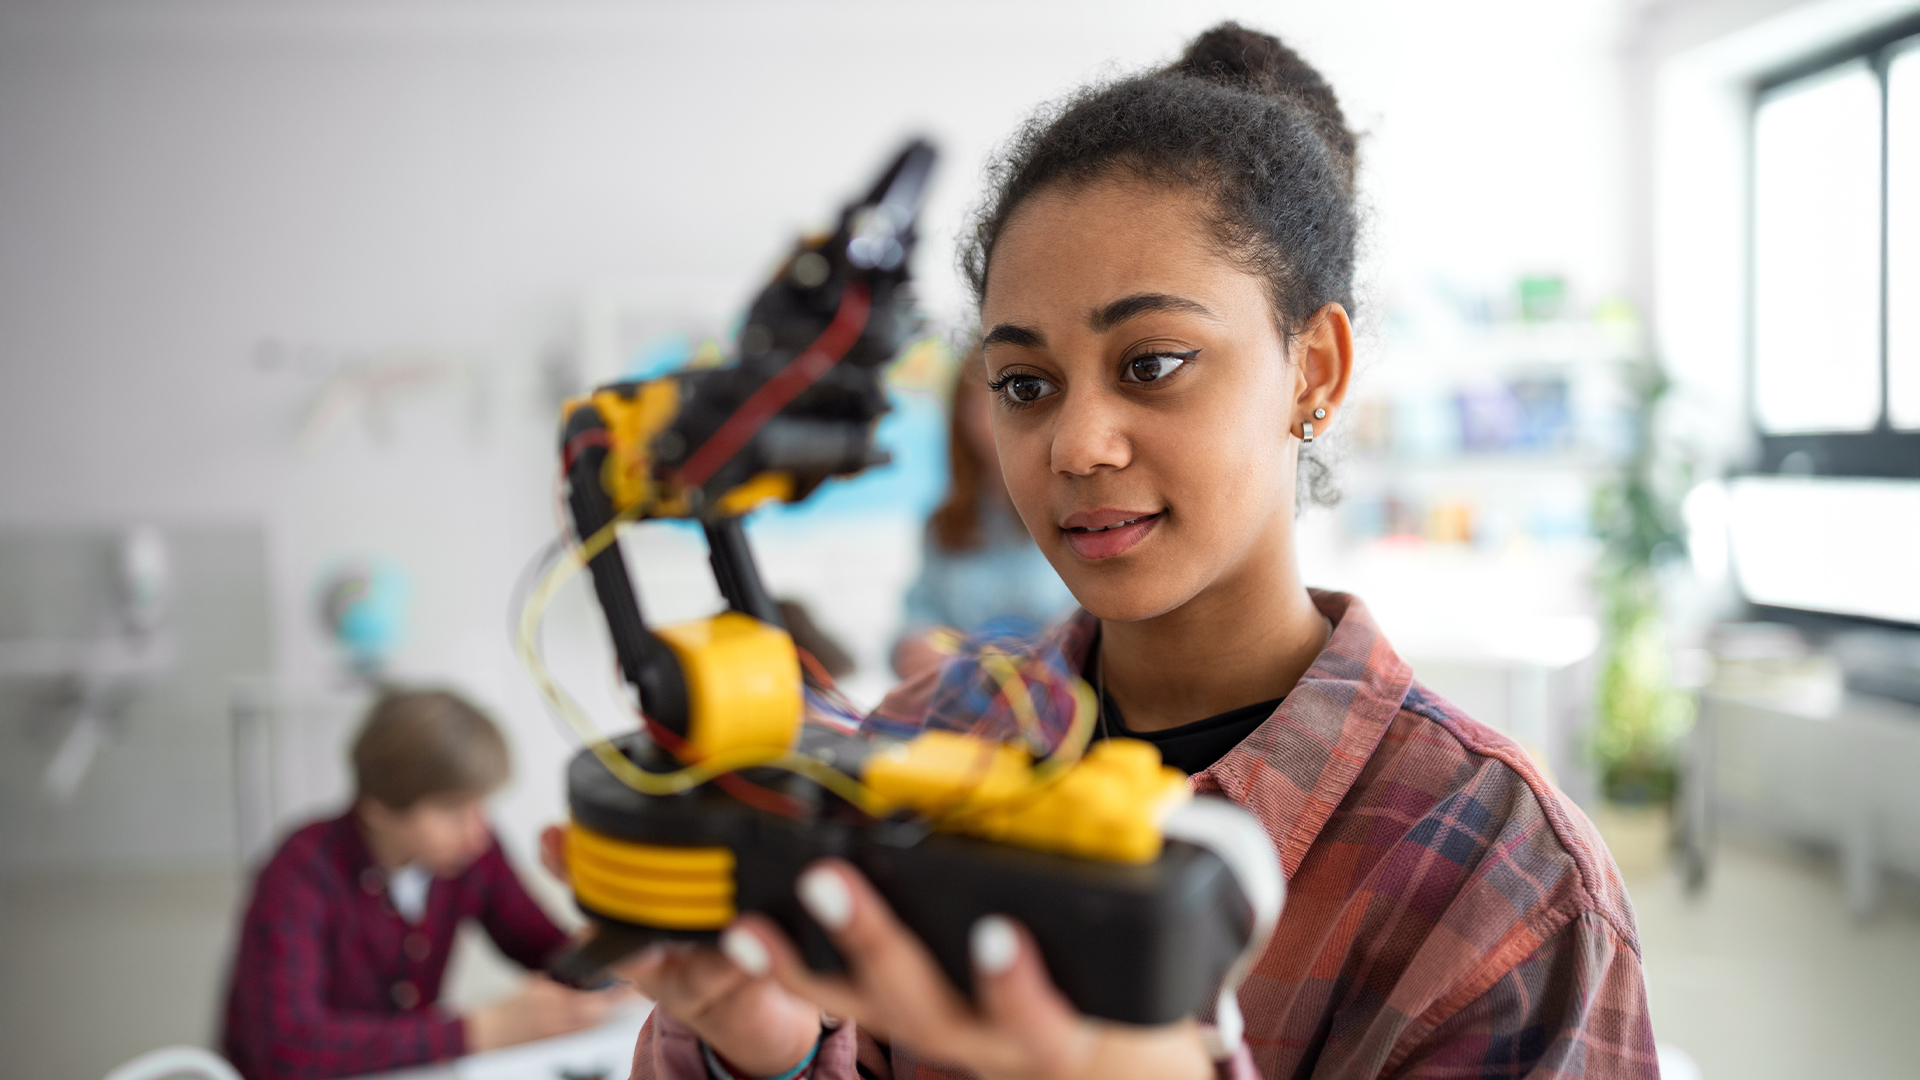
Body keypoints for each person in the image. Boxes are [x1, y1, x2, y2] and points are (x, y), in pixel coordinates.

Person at [614, 23, 1656, 1080]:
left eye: (1153, 363)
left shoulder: (1505, 881)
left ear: (1315, 371)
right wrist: (767, 1052)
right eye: (1024, 384)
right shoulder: (930, 741)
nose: (1075, 444)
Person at [222, 689, 622, 1080]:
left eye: (481, 803)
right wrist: (479, 1030)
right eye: (451, 810)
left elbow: (542, 946)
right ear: (377, 809)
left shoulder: (470, 853)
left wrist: (611, 962)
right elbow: (286, 1050)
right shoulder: (299, 874)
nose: (477, 832)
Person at [892, 353, 1078, 680]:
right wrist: (915, 646)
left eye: (1017, 400)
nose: (996, 422)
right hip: (968, 709)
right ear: (961, 420)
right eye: (984, 406)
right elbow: (920, 616)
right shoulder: (944, 524)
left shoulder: (1080, 511)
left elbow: (1089, 628)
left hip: (1064, 702)